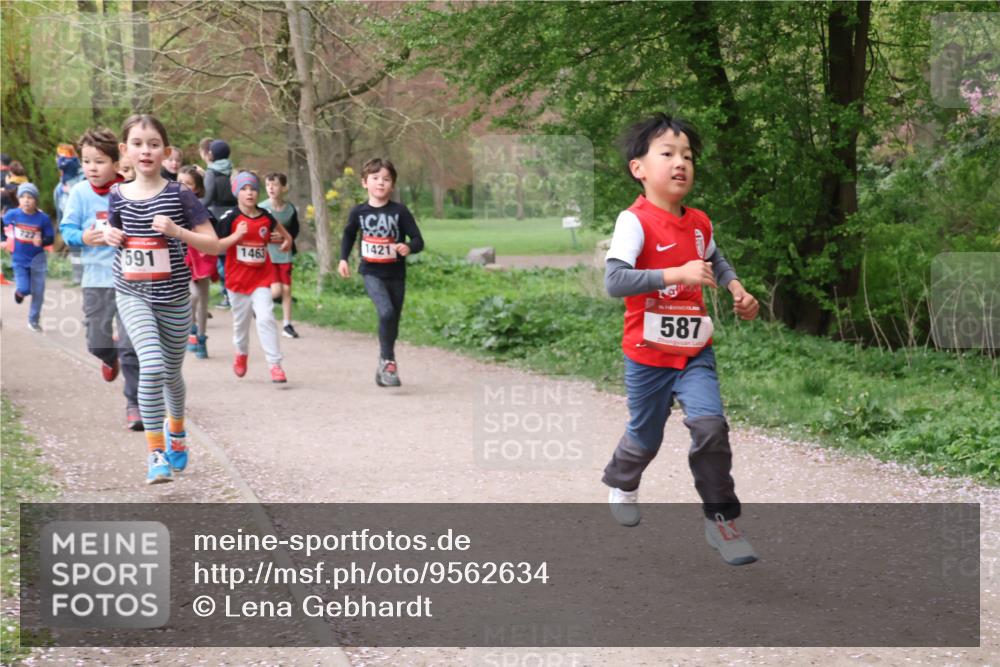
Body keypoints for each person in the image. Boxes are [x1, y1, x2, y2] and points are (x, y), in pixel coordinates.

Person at [601, 114, 762, 566]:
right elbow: (615, 281)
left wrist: (737, 290)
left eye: (687, 156)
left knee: (710, 426)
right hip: (648, 355)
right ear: (639, 168)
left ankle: (721, 521)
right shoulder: (634, 221)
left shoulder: (699, 224)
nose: (680, 163)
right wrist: (675, 273)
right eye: (667, 154)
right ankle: (623, 479)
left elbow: (717, 260)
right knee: (645, 438)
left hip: (694, 352)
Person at [101, 114, 222, 484]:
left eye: (154, 144)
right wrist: (109, 234)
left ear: (165, 151)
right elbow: (115, 230)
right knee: (151, 366)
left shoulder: (179, 194)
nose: (146, 150)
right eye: (137, 144)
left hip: (173, 297)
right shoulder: (117, 195)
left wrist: (178, 231)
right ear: (125, 151)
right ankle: (156, 452)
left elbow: (213, 242)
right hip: (132, 294)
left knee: (171, 373)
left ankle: (178, 434)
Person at [60, 128, 144, 430]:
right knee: (96, 342)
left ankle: (134, 404)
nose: (92, 168)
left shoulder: (129, 190)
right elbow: (67, 230)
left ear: (114, 162)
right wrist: (84, 236)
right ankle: (110, 358)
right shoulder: (80, 193)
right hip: (96, 278)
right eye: (86, 161)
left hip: (132, 278)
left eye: (99, 161)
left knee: (131, 345)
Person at [338, 158, 424, 387]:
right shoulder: (359, 211)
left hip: (396, 273)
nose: (381, 183)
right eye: (375, 178)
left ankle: (384, 364)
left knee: (393, 320)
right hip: (371, 272)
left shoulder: (400, 211)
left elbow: (418, 239)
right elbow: (348, 235)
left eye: (386, 179)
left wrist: (408, 247)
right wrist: (343, 259)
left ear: (393, 185)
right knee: (385, 312)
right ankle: (388, 362)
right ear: (365, 183)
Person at [217, 171, 293, 383]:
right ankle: (241, 353)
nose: (249, 193)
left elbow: (282, 232)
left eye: (252, 189)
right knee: (241, 325)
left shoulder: (265, 216)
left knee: (266, 317)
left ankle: (275, 365)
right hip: (237, 280)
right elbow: (216, 245)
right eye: (244, 189)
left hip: (261, 277)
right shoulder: (229, 218)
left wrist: (286, 240)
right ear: (236, 192)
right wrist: (236, 236)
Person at [177, 165, 218, 358]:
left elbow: (212, 235)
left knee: (203, 300)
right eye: (180, 182)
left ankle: (201, 337)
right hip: (181, 260)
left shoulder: (201, 210)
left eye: (188, 183)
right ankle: (190, 327)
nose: (183, 186)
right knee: (192, 296)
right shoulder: (171, 207)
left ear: (197, 189)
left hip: (201, 260)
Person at [4, 182, 54, 331]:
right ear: (19, 200)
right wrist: (2, 239)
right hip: (19, 260)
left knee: (38, 292)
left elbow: (50, 238)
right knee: (25, 289)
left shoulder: (43, 218)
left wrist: (42, 241)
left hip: (38, 261)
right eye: (23, 197)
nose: (26, 200)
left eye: (30, 197)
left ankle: (33, 320)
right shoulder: (13, 214)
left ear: (36, 200)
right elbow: (2, 224)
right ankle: (19, 292)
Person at [259, 172, 300, 338]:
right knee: (275, 291)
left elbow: (295, 230)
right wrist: (267, 237)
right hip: (268, 254)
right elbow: (257, 230)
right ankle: (258, 308)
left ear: (284, 188)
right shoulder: (261, 208)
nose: (271, 188)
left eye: (274, 185)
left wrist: (287, 237)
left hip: (284, 252)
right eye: (268, 185)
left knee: (287, 289)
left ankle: (287, 324)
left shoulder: (290, 209)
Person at [201, 139, 236, 308]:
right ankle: (235, 292)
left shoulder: (211, 172)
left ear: (212, 154)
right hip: (233, 215)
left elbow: (206, 198)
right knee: (231, 256)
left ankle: (227, 295)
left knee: (220, 257)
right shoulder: (232, 171)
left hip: (217, 217)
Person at [54, 144, 86, 285]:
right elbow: (59, 208)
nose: (62, 162)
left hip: (86, 223)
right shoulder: (59, 188)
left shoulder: (83, 178)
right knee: (75, 253)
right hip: (70, 225)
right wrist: (61, 225)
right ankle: (78, 277)